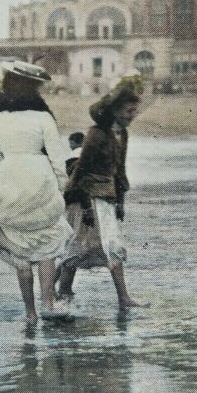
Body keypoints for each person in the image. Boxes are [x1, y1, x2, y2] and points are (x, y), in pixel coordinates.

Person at [0, 60, 74, 324]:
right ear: (35, 89)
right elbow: (57, 161)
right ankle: (48, 303)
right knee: (46, 247)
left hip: (8, 183)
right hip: (39, 180)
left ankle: (30, 313)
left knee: (20, 251)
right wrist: (60, 189)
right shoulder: (43, 118)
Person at [57, 75, 149, 310]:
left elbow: (121, 171)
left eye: (133, 112)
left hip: (106, 197)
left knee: (107, 245)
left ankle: (121, 298)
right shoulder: (96, 133)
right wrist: (85, 207)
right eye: (128, 111)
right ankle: (64, 290)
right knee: (81, 244)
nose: (132, 116)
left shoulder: (122, 135)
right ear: (115, 110)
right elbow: (81, 171)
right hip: (85, 198)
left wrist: (121, 201)